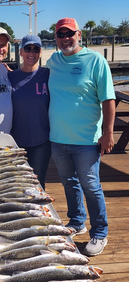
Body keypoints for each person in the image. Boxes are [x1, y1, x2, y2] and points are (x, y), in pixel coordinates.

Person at [46, 17, 116, 256]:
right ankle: (77, 221)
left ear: (79, 35)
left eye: (69, 34)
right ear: (55, 38)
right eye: (60, 35)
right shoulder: (53, 60)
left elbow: (108, 99)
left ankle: (100, 233)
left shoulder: (95, 60)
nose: (65, 39)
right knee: (69, 182)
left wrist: (107, 133)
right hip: (58, 138)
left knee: (91, 186)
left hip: (87, 140)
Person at [8, 35, 51, 189]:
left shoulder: (48, 75)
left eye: (36, 49)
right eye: (28, 49)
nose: (31, 53)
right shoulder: (10, 77)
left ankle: (40, 213)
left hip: (42, 141)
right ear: (20, 52)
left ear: (41, 52)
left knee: (38, 185)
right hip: (15, 142)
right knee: (17, 185)